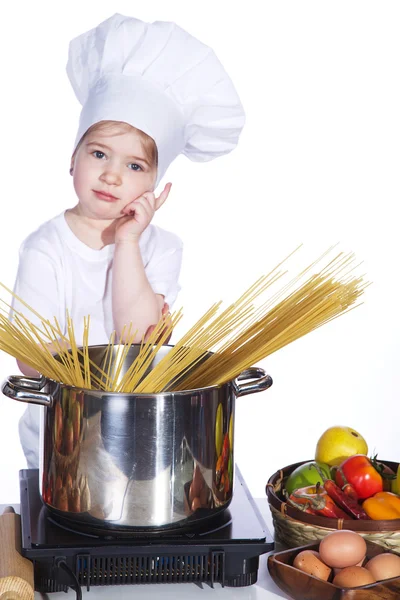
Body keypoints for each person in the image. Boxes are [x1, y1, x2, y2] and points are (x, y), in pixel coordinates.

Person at [10, 13, 245, 468]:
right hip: (65, 437)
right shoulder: (45, 248)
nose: (112, 174)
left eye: (135, 166)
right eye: (98, 153)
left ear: (157, 187)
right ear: (72, 159)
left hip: (142, 435)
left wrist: (128, 243)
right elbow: (32, 363)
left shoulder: (162, 248)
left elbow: (136, 340)